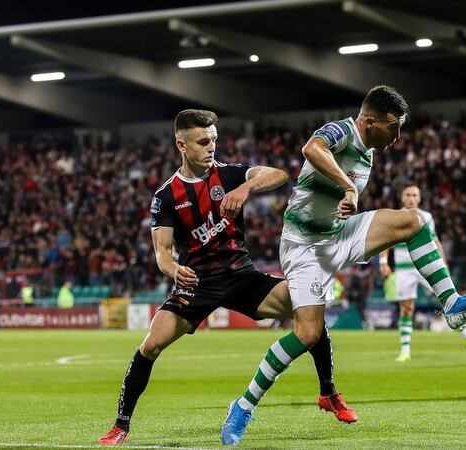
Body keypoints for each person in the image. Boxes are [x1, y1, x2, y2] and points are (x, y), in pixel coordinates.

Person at [221, 86, 466, 445]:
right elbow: (312, 148)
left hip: (338, 233)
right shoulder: (341, 131)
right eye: (392, 128)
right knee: (307, 335)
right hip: (304, 244)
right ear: (368, 121)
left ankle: (452, 304)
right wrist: (348, 188)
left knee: (414, 221)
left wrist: (349, 198)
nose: (397, 138)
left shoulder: (368, 150)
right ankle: (243, 405)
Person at [98, 110, 356, 446]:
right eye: (203, 141)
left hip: (241, 276)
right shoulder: (167, 196)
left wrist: (247, 187)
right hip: (198, 284)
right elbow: (161, 253)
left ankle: (328, 393)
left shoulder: (231, 175)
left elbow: (278, 174)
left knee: (308, 305)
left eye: (214, 140)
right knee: (151, 344)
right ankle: (121, 425)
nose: (211, 147)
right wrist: (175, 270)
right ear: (182, 145)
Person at [378, 185, 466, 362]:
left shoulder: (426, 216)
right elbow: (387, 242)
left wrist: (443, 264)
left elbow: (434, 241)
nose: (411, 198)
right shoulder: (395, 216)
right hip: (404, 269)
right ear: (402, 198)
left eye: (415, 195)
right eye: (408, 195)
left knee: (448, 299)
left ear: (419, 198)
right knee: (407, 308)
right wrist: (383, 261)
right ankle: (405, 350)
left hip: (426, 266)